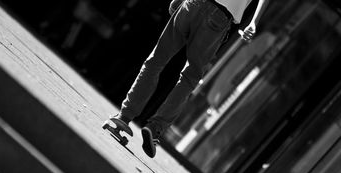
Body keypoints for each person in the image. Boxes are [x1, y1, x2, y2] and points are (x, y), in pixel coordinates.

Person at [106, 0, 269, 158]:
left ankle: (124, 117)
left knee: (156, 60)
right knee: (189, 78)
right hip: (218, 18)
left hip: (192, 4)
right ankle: (155, 126)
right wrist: (254, 21)